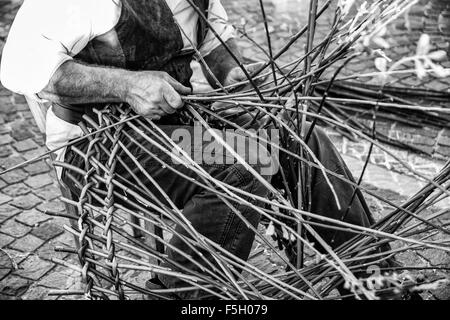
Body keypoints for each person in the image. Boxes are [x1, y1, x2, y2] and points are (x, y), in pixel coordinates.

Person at [1, 0, 380, 299]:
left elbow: (217, 48)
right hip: (97, 144)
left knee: (298, 136)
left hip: (182, 130)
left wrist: (235, 76)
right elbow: (24, 70)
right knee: (242, 164)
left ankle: (370, 278)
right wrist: (127, 86)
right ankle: (180, 297)